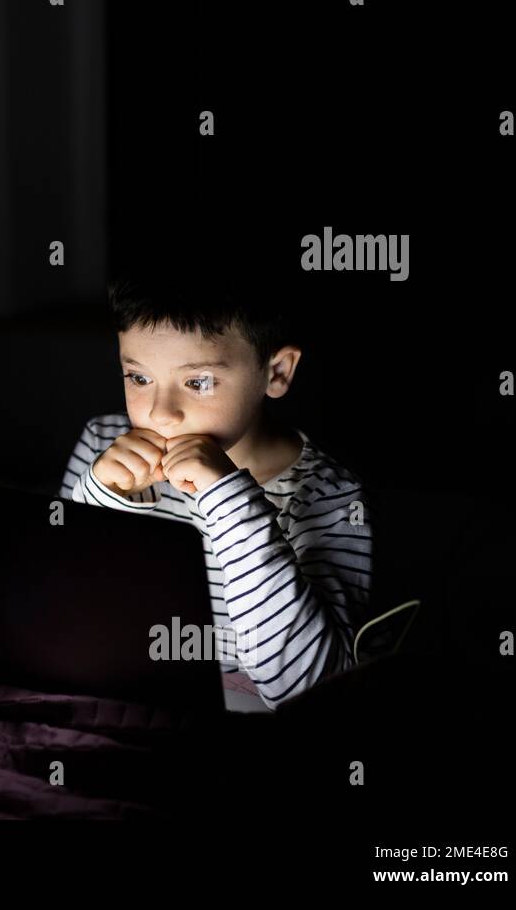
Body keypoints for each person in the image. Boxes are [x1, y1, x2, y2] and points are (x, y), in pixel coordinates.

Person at [58, 273, 372, 711]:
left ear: (276, 372)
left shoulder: (330, 496)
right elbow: (60, 612)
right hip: (122, 694)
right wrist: (100, 495)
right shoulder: (102, 446)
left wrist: (227, 498)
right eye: (138, 377)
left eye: (198, 382)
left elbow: (310, 691)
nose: (160, 414)